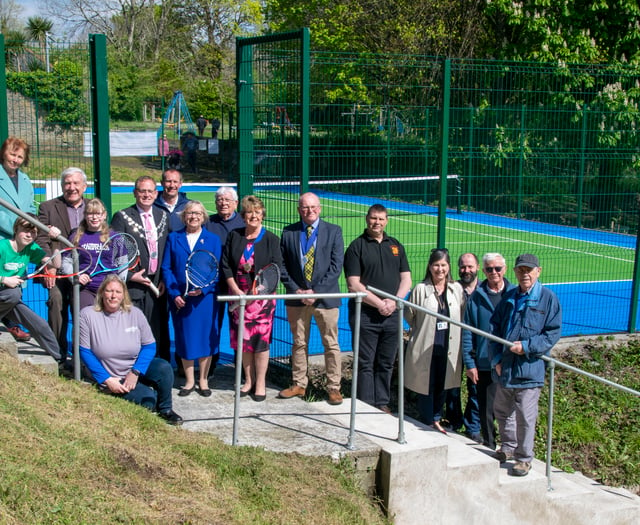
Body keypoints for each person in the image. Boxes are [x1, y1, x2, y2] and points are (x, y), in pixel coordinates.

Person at [489, 253, 561, 476]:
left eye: (529, 270)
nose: (525, 274)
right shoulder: (509, 297)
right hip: (506, 368)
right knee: (502, 411)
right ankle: (508, 447)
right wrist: (496, 359)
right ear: (515, 272)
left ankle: (523, 458)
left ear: (538, 271)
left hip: (529, 370)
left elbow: (552, 333)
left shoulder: (548, 299)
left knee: (525, 417)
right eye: (521, 270)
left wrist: (527, 346)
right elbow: (494, 329)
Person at [79, 275, 182, 425]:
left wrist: (135, 372)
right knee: (148, 401)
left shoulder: (135, 313)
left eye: (118, 292)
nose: (113, 296)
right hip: (112, 376)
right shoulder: (88, 315)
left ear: (124, 295)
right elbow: (85, 351)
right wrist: (106, 380)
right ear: (102, 293)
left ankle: (165, 409)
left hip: (132, 369)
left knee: (164, 368)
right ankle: (116, 393)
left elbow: (149, 345)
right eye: (109, 291)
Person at [344, 204, 412, 414]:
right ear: (367, 219)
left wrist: (393, 301)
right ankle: (365, 405)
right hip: (365, 314)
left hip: (392, 315)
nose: (377, 222)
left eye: (381, 219)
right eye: (374, 218)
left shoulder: (396, 246)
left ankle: (382, 403)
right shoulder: (357, 247)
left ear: (387, 221)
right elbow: (353, 284)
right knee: (365, 362)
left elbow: (406, 279)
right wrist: (379, 303)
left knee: (386, 361)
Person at [278, 192, 345, 405]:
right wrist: (296, 289)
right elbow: (281, 265)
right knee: (299, 343)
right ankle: (299, 384)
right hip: (297, 297)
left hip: (325, 298)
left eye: (313, 207)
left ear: (320, 208)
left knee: (331, 344)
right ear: (299, 210)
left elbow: (336, 266)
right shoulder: (288, 232)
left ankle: (334, 388)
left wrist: (315, 291)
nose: (310, 211)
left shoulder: (334, 231)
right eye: (305, 207)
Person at [220, 195, 282, 402]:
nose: (253, 216)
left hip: (262, 300)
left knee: (260, 343)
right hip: (238, 297)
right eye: (249, 212)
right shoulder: (234, 236)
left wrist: (260, 290)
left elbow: (276, 269)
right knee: (243, 342)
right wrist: (235, 289)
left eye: (257, 212)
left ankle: (261, 383)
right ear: (243, 216)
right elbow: (226, 264)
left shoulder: (272, 239)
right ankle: (248, 380)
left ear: (262, 215)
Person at [161, 200, 222, 397]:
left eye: (197, 213)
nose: (193, 216)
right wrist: (175, 294)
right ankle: (188, 381)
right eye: (189, 213)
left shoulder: (212, 240)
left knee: (206, 339)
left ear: (203, 216)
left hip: (205, 300)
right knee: (185, 339)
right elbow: (167, 268)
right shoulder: (173, 238)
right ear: (183, 216)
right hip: (181, 299)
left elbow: (217, 269)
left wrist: (204, 290)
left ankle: (203, 381)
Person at [111, 176, 171, 362]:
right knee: (133, 328)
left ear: (156, 194)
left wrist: (163, 279)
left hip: (157, 284)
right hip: (134, 285)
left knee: (157, 328)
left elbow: (167, 249)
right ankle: (132, 368)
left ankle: (159, 367)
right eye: (142, 191)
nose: (146, 195)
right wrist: (130, 276)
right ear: (135, 193)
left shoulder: (163, 215)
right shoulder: (122, 216)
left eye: (150, 191)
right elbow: (116, 253)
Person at [405, 249, 465, 433]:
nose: (440, 269)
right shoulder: (420, 289)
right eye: (436, 265)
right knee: (426, 383)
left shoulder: (457, 289)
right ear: (430, 267)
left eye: (443, 265)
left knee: (443, 381)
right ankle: (427, 418)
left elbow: (461, 314)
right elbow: (409, 315)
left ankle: (437, 416)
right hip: (426, 344)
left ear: (448, 267)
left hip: (449, 344)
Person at [462, 253, 515, 448]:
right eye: (490, 269)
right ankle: (490, 445)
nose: (494, 273)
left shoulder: (514, 294)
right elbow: (467, 331)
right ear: (483, 271)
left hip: (509, 362)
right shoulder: (476, 297)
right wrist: (470, 363)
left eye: (498, 269)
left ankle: (509, 446)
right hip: (484, 362)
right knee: (485, 409)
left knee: (509, 408)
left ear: (505, 269)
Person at [37, 167, 90, 359]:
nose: (72, 187)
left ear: (84, 186)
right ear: (62, 186)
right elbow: (41, 239)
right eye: (67, 183)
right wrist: (50, 265)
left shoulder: (93, 207)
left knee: (83, 310)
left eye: (76, 183)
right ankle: (57, 354)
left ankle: (81, 357)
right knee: (56, 301)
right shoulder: (48, 207)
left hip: (85, 271)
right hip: (57, 270)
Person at [0, 217, 61, 361]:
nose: (29, 235)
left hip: (9, 299)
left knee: (41, 325)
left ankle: (59, 359)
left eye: (33, 232)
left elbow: (55, 264)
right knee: (14, 293)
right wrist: (4, 279)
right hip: (8, 294)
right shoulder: (3, 247)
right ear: (16, 230)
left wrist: (56, 241)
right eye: (26, 231)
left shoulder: (31, 249)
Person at [0, 136, 36, 342]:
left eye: (20, 156)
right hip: (3, 238)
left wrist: (29, 225)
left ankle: (12, 324)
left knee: (16, 284)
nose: (15, 159)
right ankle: (11, 323)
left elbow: (30, 209)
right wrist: (15, 228)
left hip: (21, 241)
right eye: (12, 154)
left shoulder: (25, 180)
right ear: (4, 153)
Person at [206, 186, 245, 365]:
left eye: (227, 200)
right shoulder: (208, 222)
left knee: (239, 326)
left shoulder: (244, 224)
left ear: (236, 203)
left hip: (238, 285)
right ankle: (211, 365)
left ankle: (240, 367)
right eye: (220, 200)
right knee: (212, 325)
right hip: (213, 284)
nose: (223, 203)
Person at [446, 252, 480, 431]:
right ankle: (454, 420)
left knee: (476, 386)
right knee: (452, 385)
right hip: (454, 343)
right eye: (463, 267)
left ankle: (473, 426)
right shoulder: (451, 288)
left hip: (478, 346)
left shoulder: (485, 290)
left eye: (470, 267)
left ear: (477, 268)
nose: (466, 270)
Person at [63, 198, 116, 310]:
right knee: (85, 322)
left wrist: (117, 284)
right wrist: (76, 276)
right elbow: (66, 261)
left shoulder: (115, 238)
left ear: (104, 215)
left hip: (109, 289)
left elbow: (123, 264)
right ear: (85, 215)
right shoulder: (76, 237)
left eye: (97, 213)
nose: (94, 217)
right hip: (85, 289)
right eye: (90, 213)